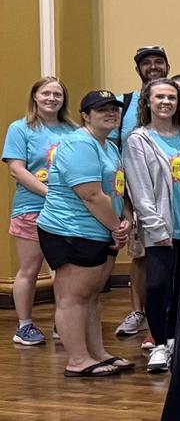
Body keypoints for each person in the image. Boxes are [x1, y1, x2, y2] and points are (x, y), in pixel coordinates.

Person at [37, 90, 132, 377]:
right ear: (85, 116)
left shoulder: (107, 146)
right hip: (71, 231)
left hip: (99, 230)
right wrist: (117, 227)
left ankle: (97, 353)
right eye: (101, 109)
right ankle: (77, 360)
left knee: (90, 296)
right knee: (72, 298)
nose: (110, 113)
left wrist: (124, 219)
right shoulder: (79, 145)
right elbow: (91, 195)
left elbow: (114, 190)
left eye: (114, 109)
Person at [123, 77, 180, 373]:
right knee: (159, 285)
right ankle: (159, 344)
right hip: (160, 228)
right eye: (159, 97)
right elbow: (139, 188)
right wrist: (155, 226)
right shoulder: (139, 139)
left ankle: (176, 339)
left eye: (171, 98)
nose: (165, 102)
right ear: (148, 102)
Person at [5, 77, 75, 346]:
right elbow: (17, 169)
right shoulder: (20, 128)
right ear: (35, 97)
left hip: (67, 211)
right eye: (46, 93)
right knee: (30, 269)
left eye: (57, 94)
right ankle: (24, 326)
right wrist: (50, 194)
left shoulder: (73, 130)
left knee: (65, 269)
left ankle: (63, 321)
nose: (51, 98)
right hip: (31, 208)